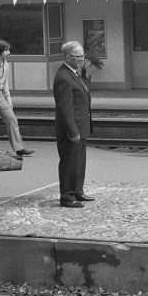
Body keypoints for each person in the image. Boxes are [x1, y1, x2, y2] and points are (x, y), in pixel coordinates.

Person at [53, 40, 93, 208]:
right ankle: (67, 196)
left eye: (83, 56)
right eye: (78, 56)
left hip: (80, 125)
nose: (82, 59)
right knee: (69, 161)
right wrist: (72, 130)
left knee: (79, 160)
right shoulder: (63, 77)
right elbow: (65, 108)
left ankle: (77, 190)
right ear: (68, 57)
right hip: (72, 128)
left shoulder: (74, 73)